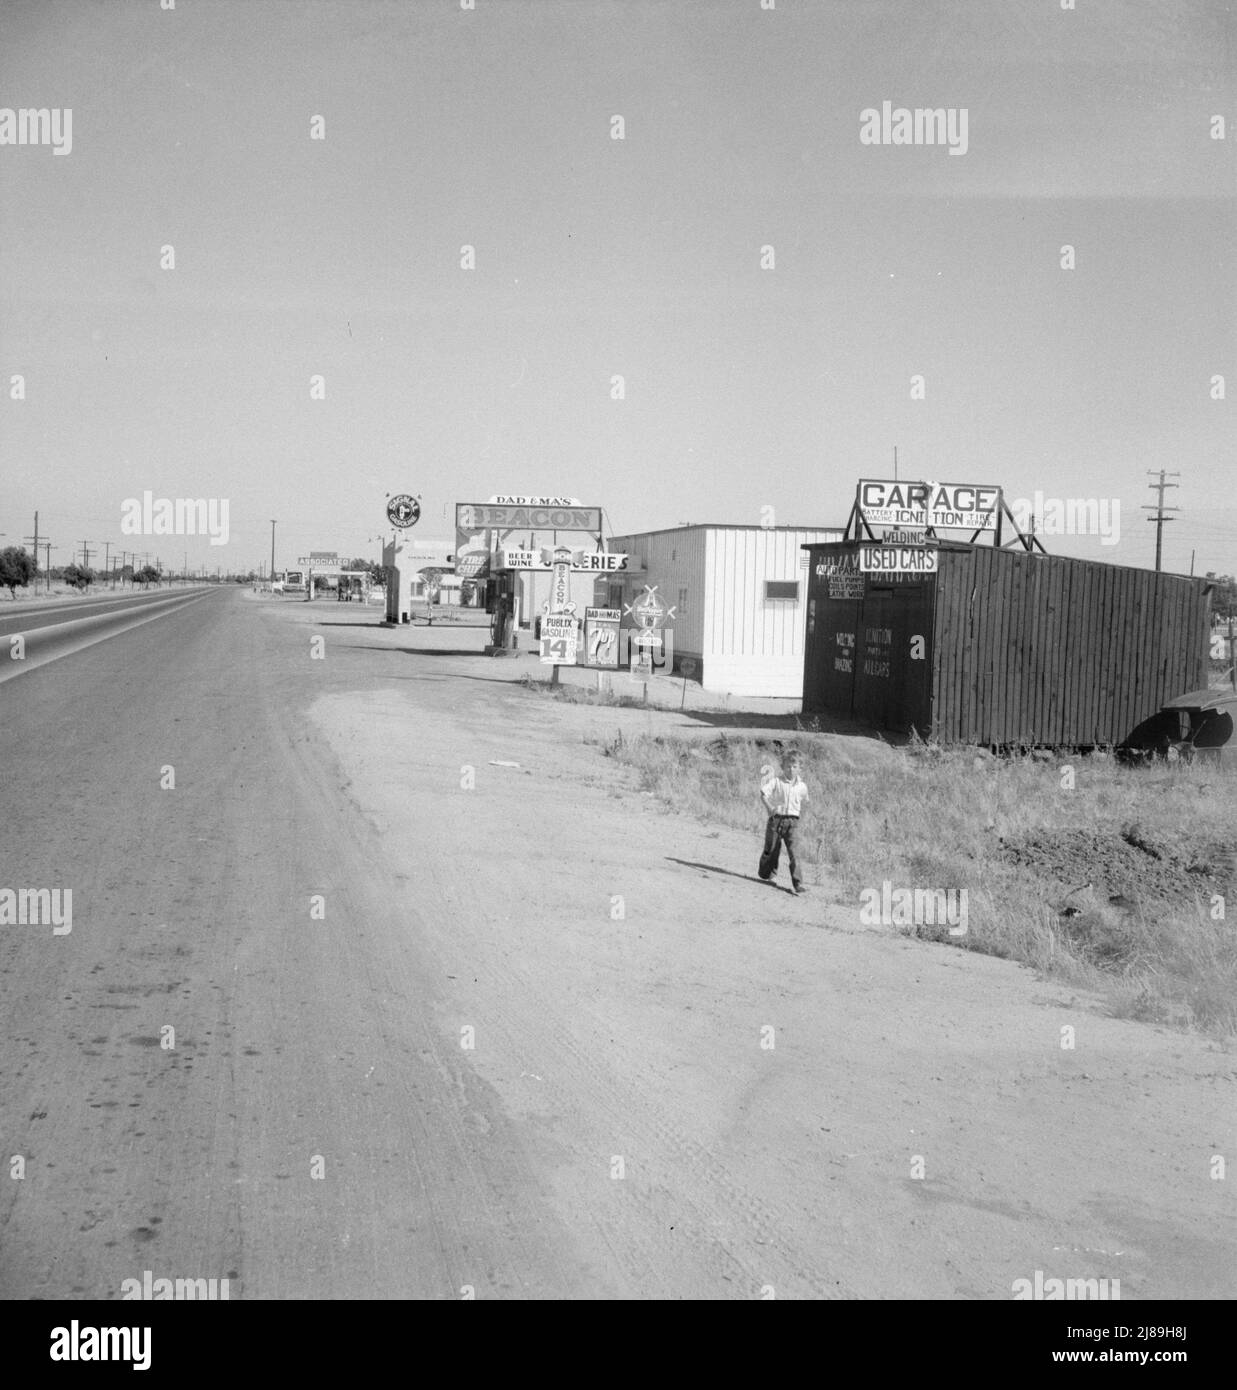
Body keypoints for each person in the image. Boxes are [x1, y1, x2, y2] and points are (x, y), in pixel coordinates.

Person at [758, 751, 809, 893]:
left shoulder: (802, 786)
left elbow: (805, 802)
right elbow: (763, 794)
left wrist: (800, 818)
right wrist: (770, 808)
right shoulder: (776, 781)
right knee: (773, 849)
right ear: (782, 766)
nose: (791, 770)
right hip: (776, 820)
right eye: (788, 766)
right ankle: (767, 873)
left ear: (800, 768)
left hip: (793, 823)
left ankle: (797, 883)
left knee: (795, 852)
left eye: (794, 767)